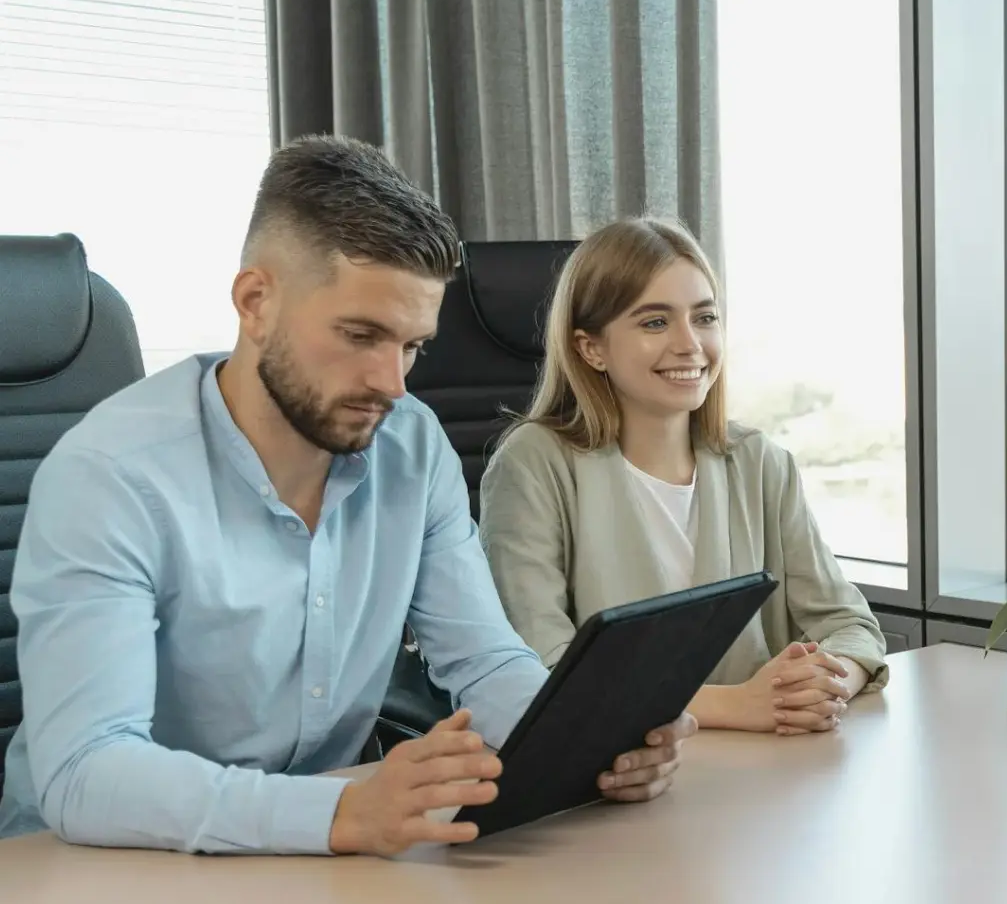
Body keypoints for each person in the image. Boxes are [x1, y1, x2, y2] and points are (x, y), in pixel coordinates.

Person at [0, 137, 692, 855]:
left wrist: (593, 744)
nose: (393, 384)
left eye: (413, 346)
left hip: (311, 858)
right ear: (255, 302)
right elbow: (86, 773)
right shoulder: (111, 475)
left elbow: (484, 661)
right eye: (361, 335)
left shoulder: (411, 445)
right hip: (90, 872)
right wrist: (341, 815)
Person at [477, 217, 887, 737]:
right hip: (617, 771)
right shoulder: (534, 462)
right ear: (591, 348)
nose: (690, 344)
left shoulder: (758, 461)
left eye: (705, 317)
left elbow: (849, 625)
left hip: (763, 766)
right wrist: (738, 706)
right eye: (655, 322)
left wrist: (826, 684)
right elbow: (542, 668)